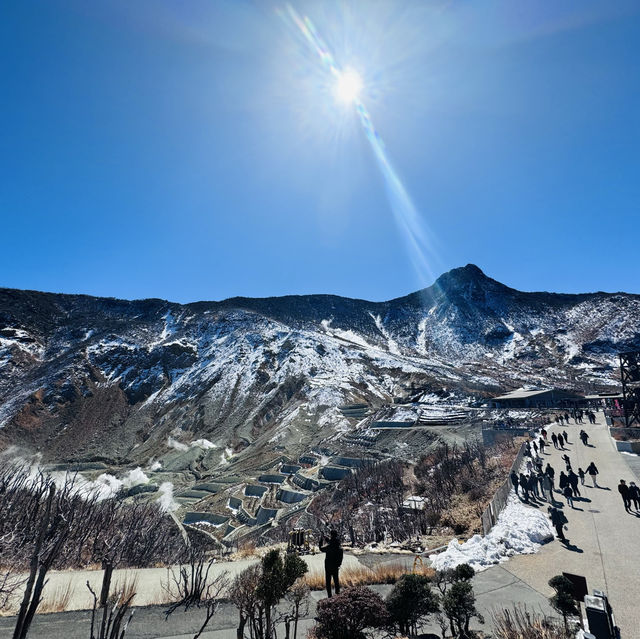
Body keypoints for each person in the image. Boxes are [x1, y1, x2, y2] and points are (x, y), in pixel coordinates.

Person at [320, 530, 343, 597]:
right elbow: (331, 542)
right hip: (336, 566)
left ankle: (329, 596)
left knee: (328, 582)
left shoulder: (329, 546)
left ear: (331, 535)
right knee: (336, 581)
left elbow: (321, 548)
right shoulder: (338, 545)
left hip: (328, 566)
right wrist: (339, 564)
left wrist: (321, 539)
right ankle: (337, 595)